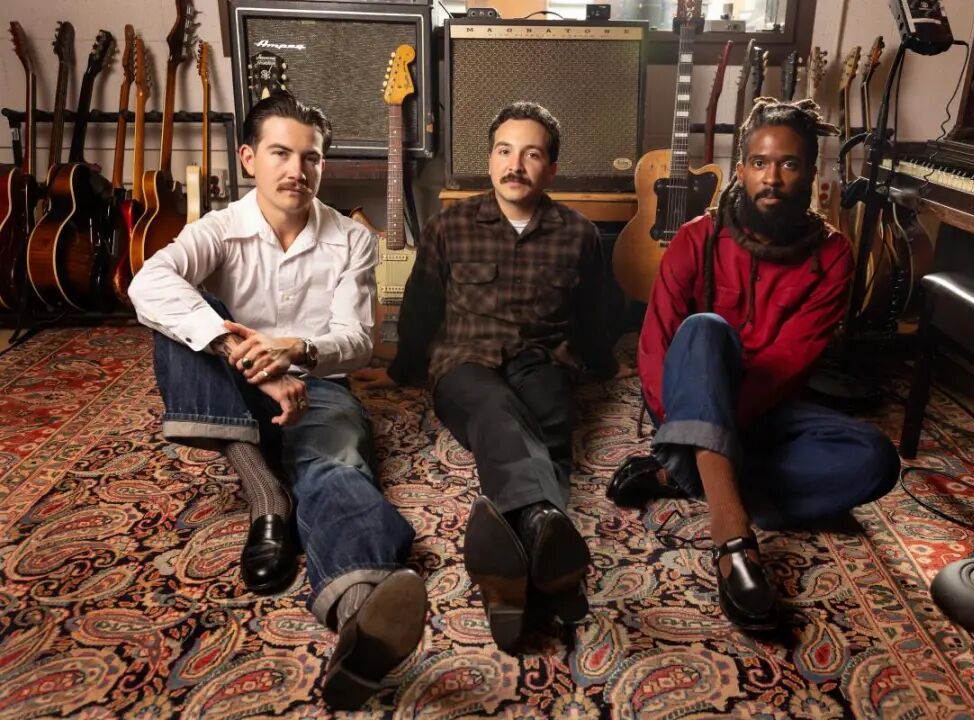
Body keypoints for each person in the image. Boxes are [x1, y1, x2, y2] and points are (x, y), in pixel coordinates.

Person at [128, 91, 426, 710]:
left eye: (310, 157)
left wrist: (296, 350)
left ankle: (359, 618)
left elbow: (357, 343)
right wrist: (250, 360)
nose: (297, 170)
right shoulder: (218, 229)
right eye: (280, 154)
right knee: (184, 315)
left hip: (318, 387)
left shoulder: (352, 238)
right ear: (248, 158)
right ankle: (266, 496)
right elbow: (146, 283)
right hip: (230, 388)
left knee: (337, 464)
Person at [608, 98, 900, 630]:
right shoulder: (695, 238)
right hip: (687, 398)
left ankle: (683, 472)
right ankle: (733, 536)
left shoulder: (833, 255)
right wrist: (689, 413)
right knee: (705, 329)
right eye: (760, 163)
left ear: (810, 173)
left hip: (767, 409)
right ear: (740, 170)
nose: (773, 177)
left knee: (875, 460)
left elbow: (790, 364)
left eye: (789, 164)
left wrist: (715, 432)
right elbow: (654, 347)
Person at [356, 101, 623, 651]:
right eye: (504, 151)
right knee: (497, 415)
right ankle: (549, 556)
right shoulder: (450, 226)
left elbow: (595, 312)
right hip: (464, 363)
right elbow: (422, 307)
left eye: (531, 154)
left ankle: (515, 577)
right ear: (490, 159)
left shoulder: (578, 234)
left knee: (552, 424)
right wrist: (403, 370)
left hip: (542, 360)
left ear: (551, 168)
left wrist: (603, 365)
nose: (515, 165)